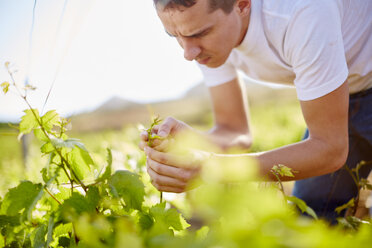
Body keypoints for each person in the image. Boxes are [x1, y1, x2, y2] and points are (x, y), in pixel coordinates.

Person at [140, 0, 372, 222]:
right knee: (309, 223)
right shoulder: (206, 39)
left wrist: (212, 167)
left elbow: (330, 149)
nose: (188, 53)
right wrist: (188, 147)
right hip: (346, 97)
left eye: (198, 34)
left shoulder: (301, 11)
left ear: (242, 4)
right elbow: (234, 132)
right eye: (175, 36)